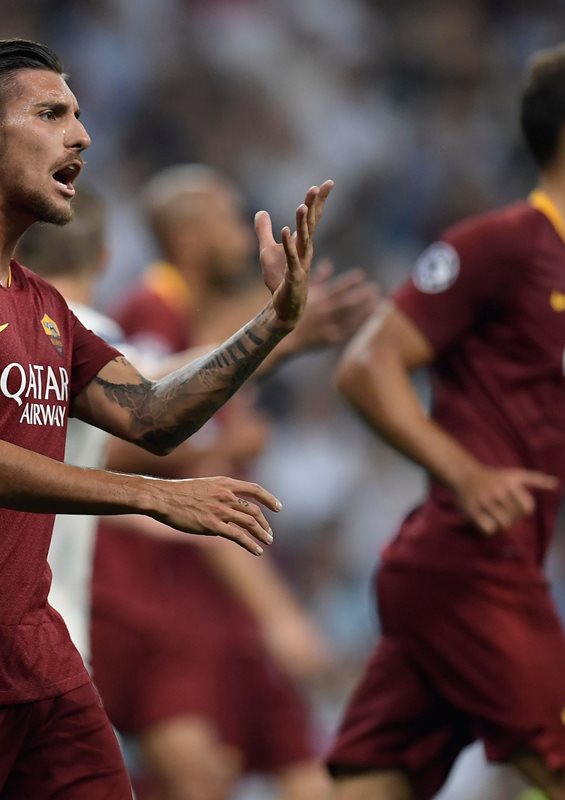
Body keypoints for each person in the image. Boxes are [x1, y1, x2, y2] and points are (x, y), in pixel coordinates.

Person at [0, 38, 331, 800]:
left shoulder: (43, 305)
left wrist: (272, 323)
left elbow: (154, 416)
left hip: (35, 655)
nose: (82, 136)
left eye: (80, 116)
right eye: (52, 113)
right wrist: (154, 496)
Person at [325, 41, 565, 800]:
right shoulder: (501, 245)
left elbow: (561, 459)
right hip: (473, 571)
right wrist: (463, 470)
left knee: (368, 789)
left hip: (463, 574)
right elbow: (365, 366)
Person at [91, 164, 377, 800]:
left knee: (280, 775)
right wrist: (226, 440)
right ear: (189, 236)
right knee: (199, 775)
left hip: (210, 587)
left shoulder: (191, 319)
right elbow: (134, 427)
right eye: (227, 218)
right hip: (160, 589)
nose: (240, 231)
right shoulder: (151, 308)